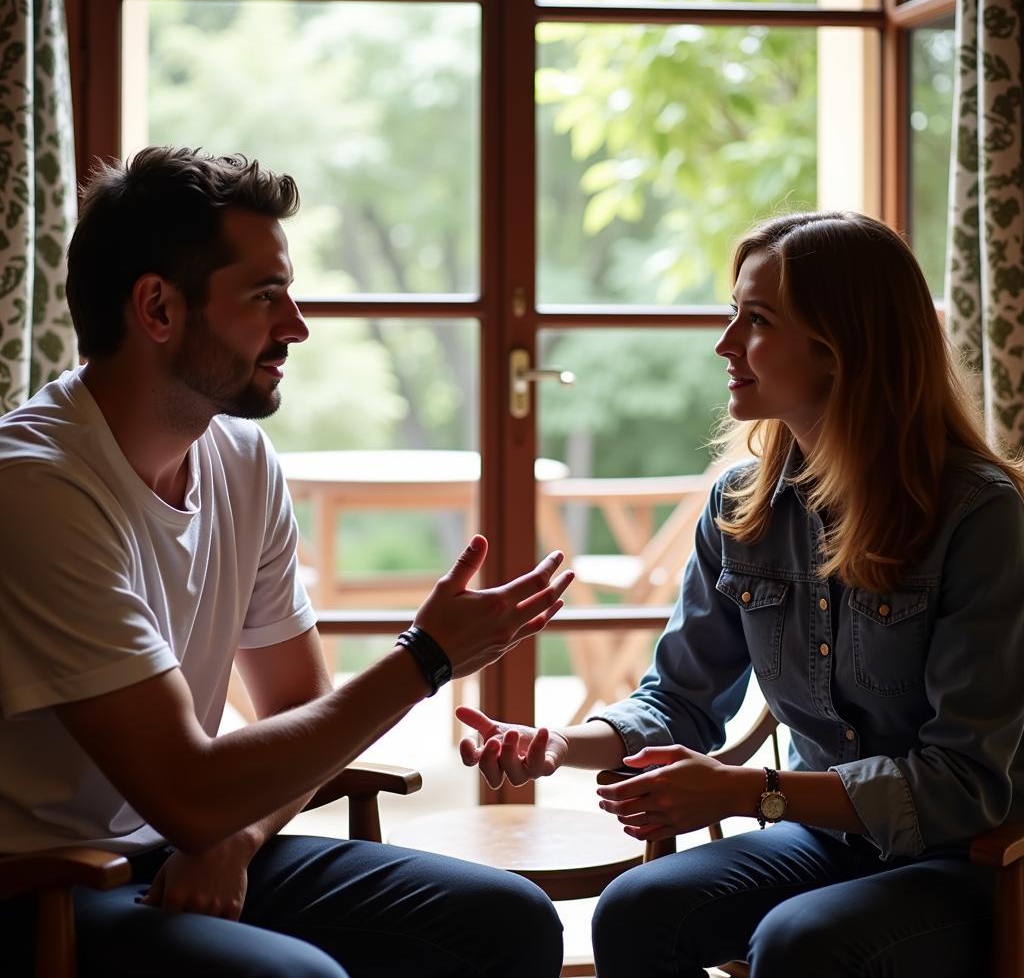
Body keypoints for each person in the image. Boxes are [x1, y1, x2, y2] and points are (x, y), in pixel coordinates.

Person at [0, 146, 573, 978]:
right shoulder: (37, 490)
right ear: (157, 308)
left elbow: (295, 714)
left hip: (185, 841)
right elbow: (187, 785)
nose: (297, 324)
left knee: (507, 921)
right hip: (43, 887)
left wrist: (233, 838)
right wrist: (428, 658)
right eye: (266, 295)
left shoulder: (241, 458)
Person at [457, 210, 1024, 977]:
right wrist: (559, 746)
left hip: (974, 863)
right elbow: (680, 703)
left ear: (840, 346)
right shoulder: (741, 509)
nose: (726, 344)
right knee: (635, 912)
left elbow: (965, 785)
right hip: (827, 839)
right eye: (734, 314)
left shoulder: (981, 517)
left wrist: (749, 792)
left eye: (755, 320)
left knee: (798, 942)